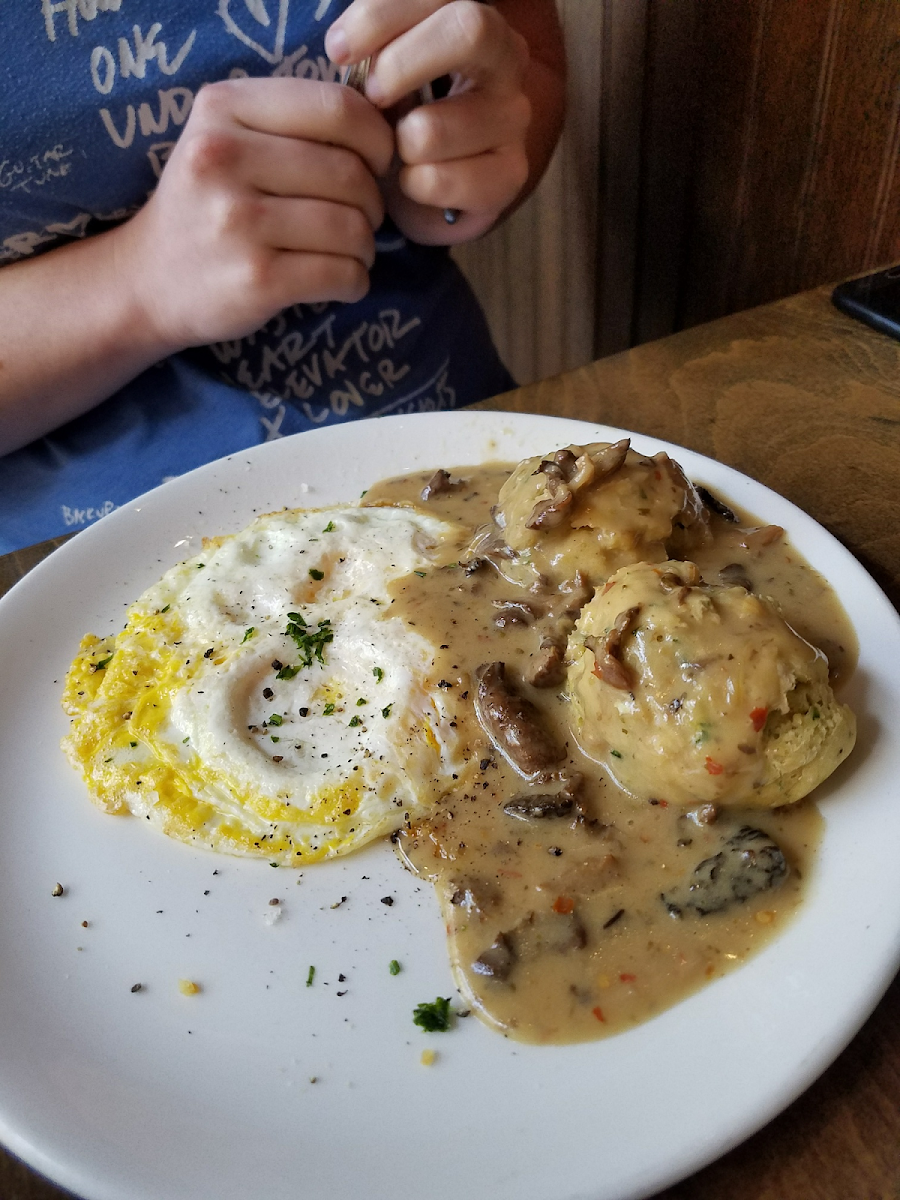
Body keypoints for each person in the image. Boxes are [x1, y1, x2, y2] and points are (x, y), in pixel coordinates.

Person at [0, 0, 565, 554]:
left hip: (459, 437)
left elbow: (528, 56)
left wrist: (459, 166)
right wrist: (135, 282)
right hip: (72, 546)